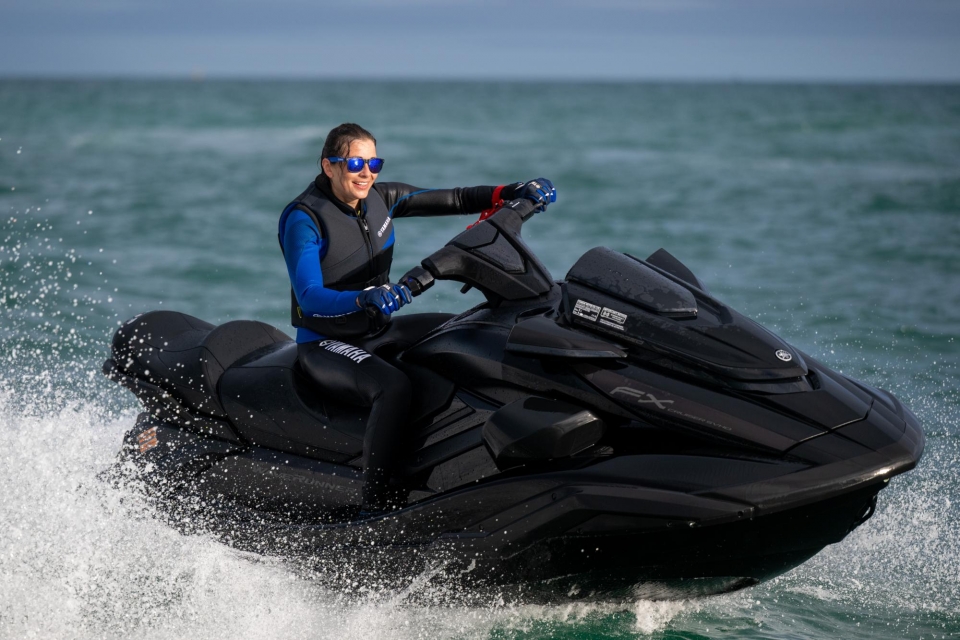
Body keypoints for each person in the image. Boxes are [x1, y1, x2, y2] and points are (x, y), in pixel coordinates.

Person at [278, 122, 556, 513]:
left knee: (470, 330)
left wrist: (512, 191)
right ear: (329, 165)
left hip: (377, 327)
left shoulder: (380, 198)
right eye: (355, 161)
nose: (367, 172)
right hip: (325, 342)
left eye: (374, 162)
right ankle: (374, 504)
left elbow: (456, 198)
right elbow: (309, 298)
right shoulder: (305, 218)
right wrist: (365, 298)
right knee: (392, 387)